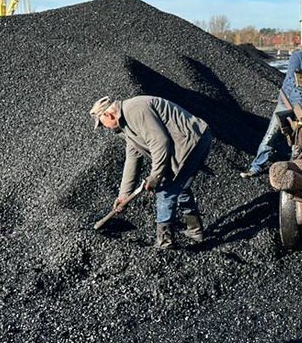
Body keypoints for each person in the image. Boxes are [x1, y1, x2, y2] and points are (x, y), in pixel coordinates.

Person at [90, 95, 211, 249]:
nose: (104, 127)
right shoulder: (125, 125)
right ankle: (195, 230)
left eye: (102, 123)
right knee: (179, 186)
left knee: (166, 189)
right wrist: (123, 195)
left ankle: (164, 242)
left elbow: (160, 142)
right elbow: (133, 158)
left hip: (192, 139)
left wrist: (156, 176)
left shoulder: (135, 110)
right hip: (183, 144)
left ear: (108, 114)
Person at [240, 34, 302, 178]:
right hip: (288, 102)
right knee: (271, 136)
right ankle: (257, 166)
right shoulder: (298, 56)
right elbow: (292, 78)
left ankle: (299, 169)